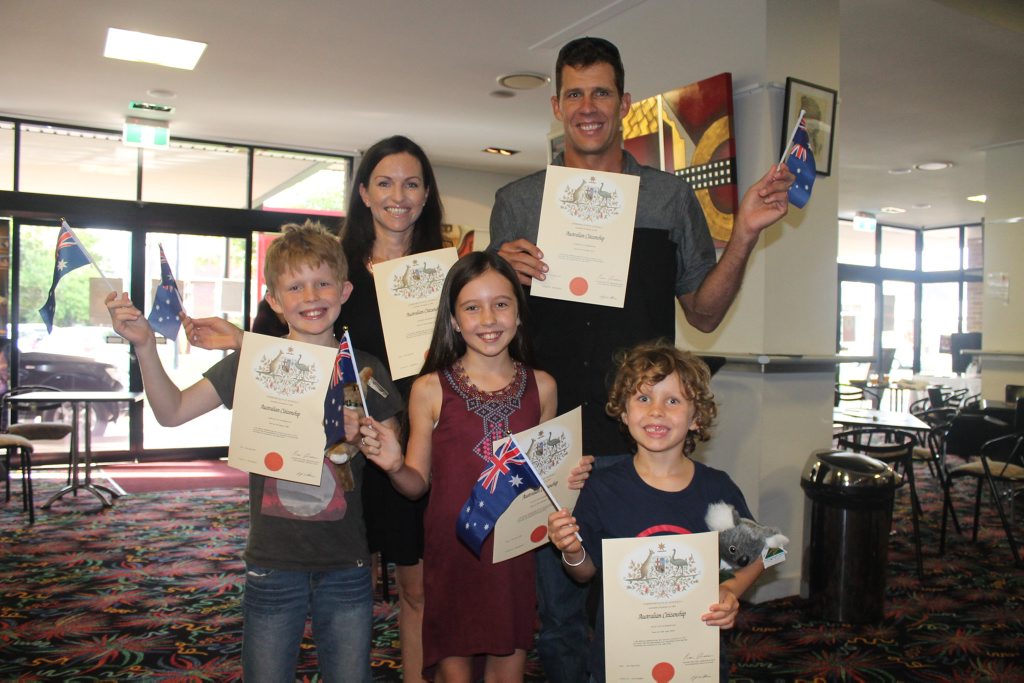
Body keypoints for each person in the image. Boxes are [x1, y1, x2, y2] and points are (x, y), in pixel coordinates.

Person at [487, 36, 793, 682]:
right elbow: (490, 330)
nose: (588, 106)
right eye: (575, 93)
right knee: (563, 616)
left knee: (656, 603)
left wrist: (741, 235)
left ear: (624, 103)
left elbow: (704, 312)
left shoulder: (669, 199)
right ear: (556, 104)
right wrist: (498, 280)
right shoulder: (518, 204)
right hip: (555, 443)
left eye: (602, 92)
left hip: (648, 440)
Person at [184, 135, 444, 683]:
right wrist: (239, 343)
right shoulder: (329, 265)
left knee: (414, 589)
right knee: (329, 573)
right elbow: (276, 349)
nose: (399, 194)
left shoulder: (440, 275)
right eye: (385, 181)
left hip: (401, 437)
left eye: (413, 182)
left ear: (426, 195)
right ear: (364, 192)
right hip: (328, 452)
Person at [107, 221, 403, 682]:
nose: (311, 296)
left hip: (346, 561)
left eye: (323, 282)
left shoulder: (365, 370)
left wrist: (366, 432)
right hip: (272, 560)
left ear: (344, 290)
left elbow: (394, 454)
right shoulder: (252, 361)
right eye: (295, 286)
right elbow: (172, 412)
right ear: (275, 300)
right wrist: (146, 346)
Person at [358, 251, 567, 681]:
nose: (488, 318)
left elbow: (546, 481)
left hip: (514, 557)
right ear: (453, 319)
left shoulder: (542, 387)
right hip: (453, 553)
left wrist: (569, 481)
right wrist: (396, 466)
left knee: (507, 669)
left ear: (519, 314)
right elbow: (416, 485)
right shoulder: (430, 388)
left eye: (502, 304)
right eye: (472, 307)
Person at [546, 340, 766, 681]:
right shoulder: (601, 488)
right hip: (622, 660)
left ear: (696, 418)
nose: (656, 411)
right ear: (623, 412)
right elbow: (584, 573)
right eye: (643, 398)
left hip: (695, 658)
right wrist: (572, 550)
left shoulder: (716, 489)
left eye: (673, 400)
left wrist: (730, 591)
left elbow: (761, 553)